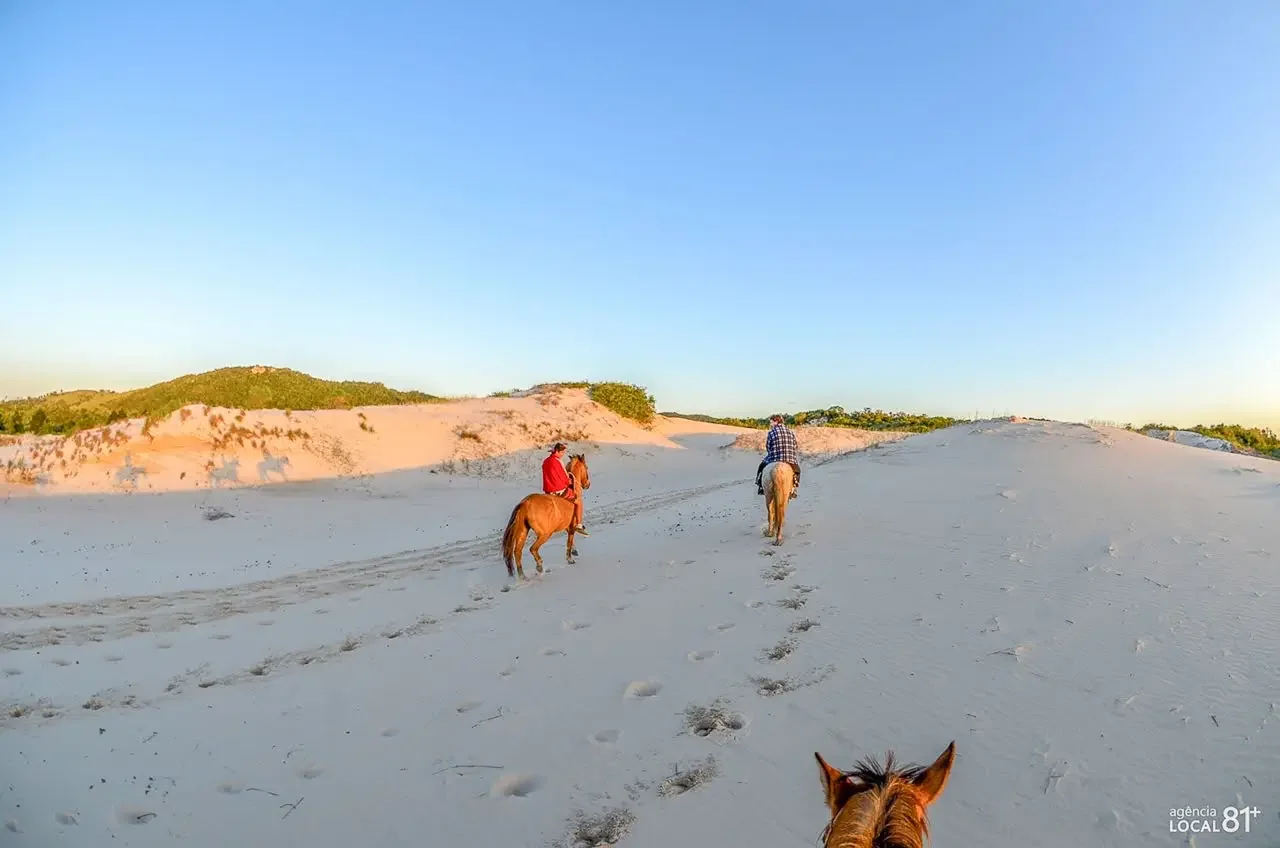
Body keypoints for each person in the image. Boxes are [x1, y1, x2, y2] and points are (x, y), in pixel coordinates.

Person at [542, 442, 589, 535]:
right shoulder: (558, 461)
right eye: (562, 452)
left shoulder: (546, 461)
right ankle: (579, 525)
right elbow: (563, 476)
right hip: (558, 490)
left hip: (548, 489)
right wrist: (569, 481)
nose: (563, 454)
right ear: (558, 451)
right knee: (578, 501)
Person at [756, 414, 800, 498]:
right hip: (790, 459)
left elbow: (768, 447)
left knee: (761, 467)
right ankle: (794, 488)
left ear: (776, 422)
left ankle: (760, 486)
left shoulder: (771, 432)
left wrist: (773, 453)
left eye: (771, 422)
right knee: (797, 471)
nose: (770, 424)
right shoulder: (790, 432)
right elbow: (795, 446)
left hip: (774, 458)